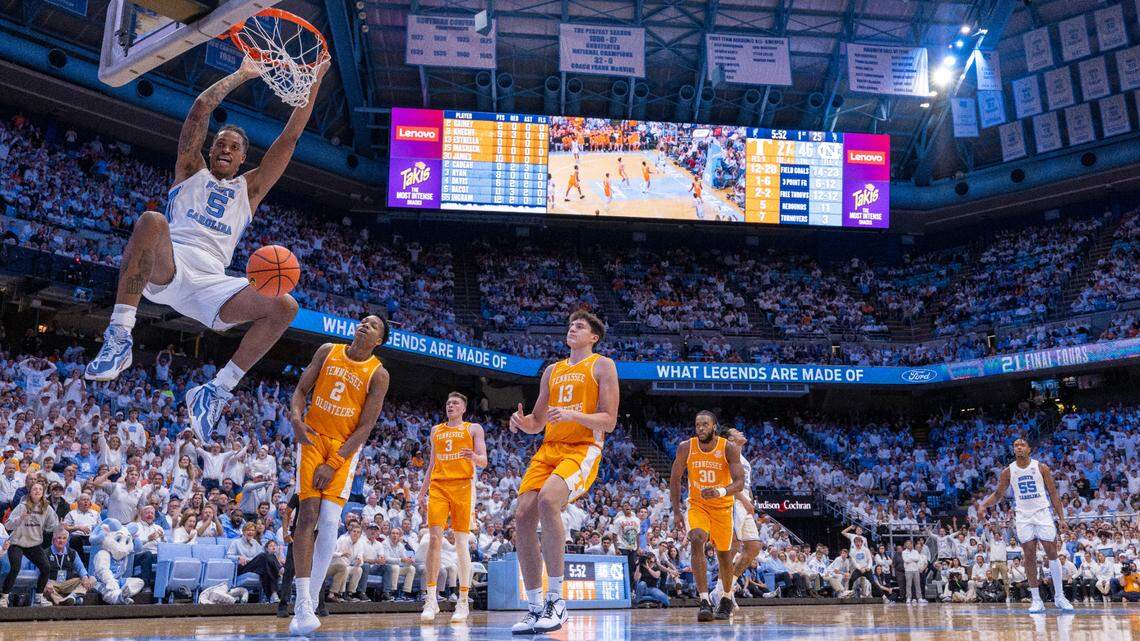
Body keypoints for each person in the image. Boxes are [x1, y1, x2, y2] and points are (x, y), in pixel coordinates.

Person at [84, 54, 331, 441]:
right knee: (152, 221)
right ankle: (119, 337)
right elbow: (200, 110)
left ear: (243, 158)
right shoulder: (189, 170)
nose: (225, 150)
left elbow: (291, 137)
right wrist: (241, 74)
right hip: (171, 263)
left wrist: (314, 81)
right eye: (219, 143)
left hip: (213, 283)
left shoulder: (249, 189)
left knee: (285, 305)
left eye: (233, 147)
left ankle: (216, 390)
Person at [508, 311, 619, 634]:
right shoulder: (552, 371)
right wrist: (522, 423)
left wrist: (572, 414)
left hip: (582, 448)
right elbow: (537, 422)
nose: (572, 328)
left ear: (594, 337)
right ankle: (534, 607)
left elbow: (609, 421)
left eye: (580, 326)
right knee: (523, 516)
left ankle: (557, 601)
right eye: (571, 325)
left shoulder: (602, 365)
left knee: (548, 501)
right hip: (548, 450)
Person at [287, 315, 390, 635]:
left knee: (330, 521)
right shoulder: (327, 350)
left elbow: (366, 427)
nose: (364, 325)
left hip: (345, 448)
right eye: (362, 321)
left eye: (372, 326)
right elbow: (301, 390)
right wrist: (295, 417)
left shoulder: (378, 373)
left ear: (379, 340)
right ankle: (302, 601)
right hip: (313, 437)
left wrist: (334, 463)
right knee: (307, 516)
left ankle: (312, 599)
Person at [976, 438, 1074, 613]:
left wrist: (1062, 518)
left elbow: (1053, 493)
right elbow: (998, 494)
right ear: (1013, 450)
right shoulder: (1008, 471)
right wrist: (983, 505)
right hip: (1023, 516)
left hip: (1043, 513)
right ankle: (1036, 599)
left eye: (1022, 445)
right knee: (1028, 556)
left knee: (1052, 553)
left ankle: (1060, 596)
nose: (1018, 447)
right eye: (1015, 445)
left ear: (1029, 449)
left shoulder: (1041, 467)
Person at [416, 392, 487, 623]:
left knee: (460, 543)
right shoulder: (437, 431)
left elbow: (484, 460)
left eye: (455, 403)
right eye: (448, 403)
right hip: (438, 486)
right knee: (434, 538)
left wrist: (474, 456)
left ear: (463, 408)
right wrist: (422, 491)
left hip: (463, 487)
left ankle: (463, 600)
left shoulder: (473, 428)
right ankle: (431, 599)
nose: (450, 405)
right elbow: (432, 463)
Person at [669, 411, 745, 623]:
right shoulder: (686, 447)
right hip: (697, 505)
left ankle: (727, 597)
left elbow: (739, 482)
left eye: (705, 425)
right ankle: (704, 601)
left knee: (724, 556)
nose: (700, 428)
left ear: (714, 427)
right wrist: (676, 511)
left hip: (722, 506)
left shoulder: (728, 448)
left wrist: (720, 491)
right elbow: (675, 480)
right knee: (696, 539)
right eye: (697, 425)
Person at [712, 428, 760, 607]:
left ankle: (727, 587)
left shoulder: (743, 458)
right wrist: (743, 500)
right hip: (732, 501)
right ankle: (720, 592)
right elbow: (728, 483)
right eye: (737, 432)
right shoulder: (727, 454)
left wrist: (750, 501)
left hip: (745, 502)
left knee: (754, 546)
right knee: (731, 547)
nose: (741, 432)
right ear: (730, 438)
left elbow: (746, 484)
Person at [0, 480, 58, 606]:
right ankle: (4, 597)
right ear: (30, 493)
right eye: (34, 489)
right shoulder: (22, 506)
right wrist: (20, 518)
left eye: (40, 489)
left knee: (46, 568)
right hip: (17, 542)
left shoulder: (47, 508)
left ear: (43, 493)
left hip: (33, 544)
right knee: (15, 568)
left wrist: (60, 527)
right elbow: (8, 525)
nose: (37, 491)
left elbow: (52, 526)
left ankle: (38, 597)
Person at [228, 521, 281, 603]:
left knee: (267, 566)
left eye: (252, 530)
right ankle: (279, 569)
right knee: (264, 556)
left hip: (255, 567)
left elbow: (265, 558)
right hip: (243, 567)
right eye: (248, 530)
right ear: (243, 531)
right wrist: (238, 557)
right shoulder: (236, 542)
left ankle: (273, 594)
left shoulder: (255, 542)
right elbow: (228, 556)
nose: (250, 532)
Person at [42, 529, 94, 606]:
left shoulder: (72, 553)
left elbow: (81, 569)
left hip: (68, 583)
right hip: (52, 583)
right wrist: (46, 582)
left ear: (67, 541)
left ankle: (73, 596)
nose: (61, 541)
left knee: (92, 579)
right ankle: (62, 601)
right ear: (53, 540)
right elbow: (40, 573)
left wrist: (85, 578)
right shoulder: (45, 553)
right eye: (59, 538)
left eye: (64, 538)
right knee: (42, 585)